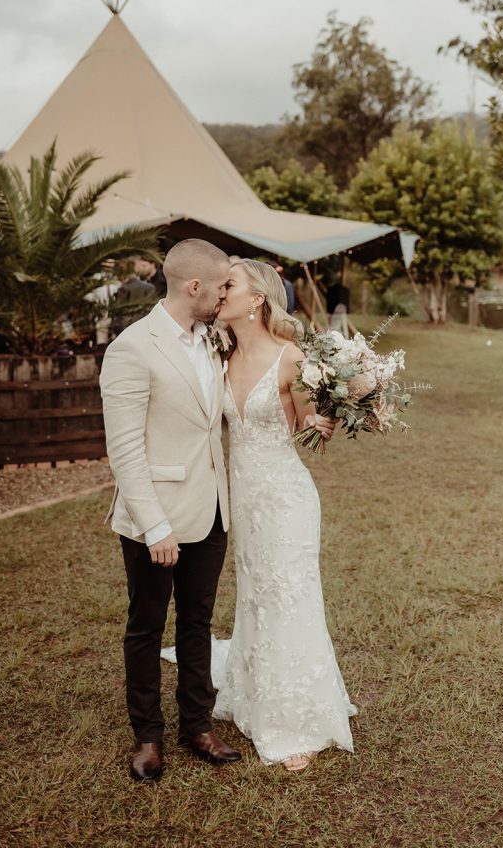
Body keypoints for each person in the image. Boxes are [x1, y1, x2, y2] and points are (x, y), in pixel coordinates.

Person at [99, 239, 241, 782]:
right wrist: (155, 525)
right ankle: (148, 735)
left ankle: (197, 725)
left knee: (199, 621)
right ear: (194, 286)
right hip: (153, 518)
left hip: (210, 511)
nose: (229, 293)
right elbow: (125, 448)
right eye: (224, 284)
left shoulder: (213, 339)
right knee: (146, 623)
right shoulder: (132, 348)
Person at [211, 259, 356, 771]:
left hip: (287, 497)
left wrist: (332, 414)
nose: (218, 291)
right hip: (243, 501)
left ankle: (295, 717)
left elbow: (304, 429)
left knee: (288, 594)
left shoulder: (292, 358)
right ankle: (252, 690)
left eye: (229, 284)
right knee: (255, 592)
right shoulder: (218, 354)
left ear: (256, 300)